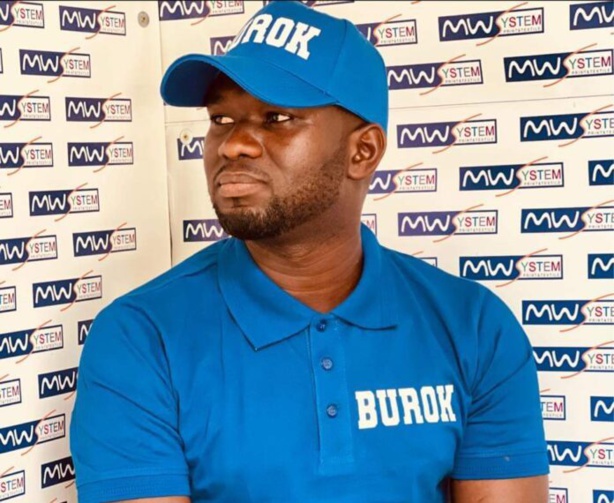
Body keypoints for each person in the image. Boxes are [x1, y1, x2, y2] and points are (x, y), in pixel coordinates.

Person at [70, 2, 549, 502]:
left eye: (276, 118)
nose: (233, 145)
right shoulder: (140, 337)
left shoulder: (473, 326)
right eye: (221, 118)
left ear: (362, 151)